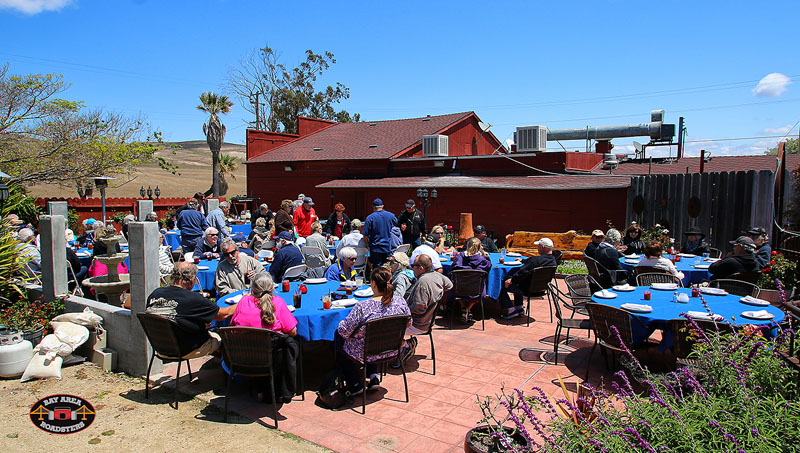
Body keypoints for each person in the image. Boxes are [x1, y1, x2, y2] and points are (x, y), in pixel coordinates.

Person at [336, 267, 411, 395]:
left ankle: (354, 383)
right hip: (392, 349)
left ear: (374, 284)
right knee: (371, 338)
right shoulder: (400, 302)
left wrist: (341, 324)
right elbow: (409, 323)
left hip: (367, 352)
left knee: (338, 337)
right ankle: (373, 376)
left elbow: (344, 332)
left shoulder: (363, 307)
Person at [230, 272, 299, 403]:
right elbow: (293, 331)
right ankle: (281, 391)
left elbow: (233, 325)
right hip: (270, 360)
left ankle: (260, 390)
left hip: (243, 357)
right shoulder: (277, 302)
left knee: (271, 347)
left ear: (252, 288)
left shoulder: (243, 301)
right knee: (287, 345)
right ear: (272, 288)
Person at [146, 262, 236, 358]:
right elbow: (223, 315)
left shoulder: (155, 293)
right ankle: (228, 368)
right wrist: (243, 301)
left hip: (160, 347)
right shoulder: (193, 299)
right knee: (222, 337)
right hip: (185, 349)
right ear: (192, 280)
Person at [395, 254, 452, 367]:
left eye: (413, 266)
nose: (412, 268)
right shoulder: (437, 275)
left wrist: (400, 312)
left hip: (417, 324)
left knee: (383, 327)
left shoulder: (423, 283)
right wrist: (437, 295)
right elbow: (449, 285)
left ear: (421, 268)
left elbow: (419, 308)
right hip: (428, 322)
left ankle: (406, 346)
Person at [500, 238, 557, 320]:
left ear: (543, 247)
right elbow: (534, 262)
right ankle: (519, 307)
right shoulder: (553, 261)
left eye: (539, 246)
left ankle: (510, 310)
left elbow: (521, 272)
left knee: (501, 284)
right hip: (541, 289)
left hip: (527, 289)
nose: (537, 248)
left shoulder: (536, 260)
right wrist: (523, 260)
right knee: (518, 281)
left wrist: (511, 280)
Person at [451, 237, 493, 323]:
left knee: (456, 286)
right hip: (476, 290)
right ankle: (468, 309)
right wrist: (484, 254)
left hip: (459, 289)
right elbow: (489, 266)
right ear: (479, 247)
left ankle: (464, 308)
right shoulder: (482, 260)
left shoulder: (459, 257)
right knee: (479, 288)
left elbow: (453, 267)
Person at [362, 198, 397, 268]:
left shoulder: (370, 218)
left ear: (373, 207)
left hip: (375, 248)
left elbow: (365, 235)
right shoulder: (391, 216)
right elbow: (396, 224)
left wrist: (367, 245)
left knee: (377, 270)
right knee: (387, 268)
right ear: (382, 206)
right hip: (387, 247)